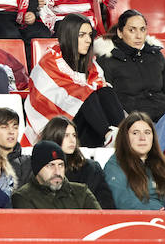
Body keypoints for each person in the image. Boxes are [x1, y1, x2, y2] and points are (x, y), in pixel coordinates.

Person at [27, 14, 126, 150]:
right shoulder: (49, 62)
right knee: (85, 93)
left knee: (105, 91)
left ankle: (123, 136)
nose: (88, 40)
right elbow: (42, 100)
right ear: (69, 36)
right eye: (82, 35)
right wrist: (82, 93)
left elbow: (99, 88)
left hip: (85, 125)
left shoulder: (92, 65)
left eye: (90, 35)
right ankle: (109, 135)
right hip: (56, 127)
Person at [98, 9, 165, 149]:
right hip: (134, 123)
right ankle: (149, 157)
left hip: (162, 119)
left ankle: (145, 160)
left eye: (142, 29)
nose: (139, 36)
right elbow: (107, 99)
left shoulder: (155, 55)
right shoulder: (108, 59)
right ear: (120, 33)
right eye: (132, 30)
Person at [102, 111, 165, 210]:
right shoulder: (115, 165)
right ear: (125, 137)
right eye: (135, 133)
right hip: (138, 221)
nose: (142, 138)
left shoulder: (162, 163)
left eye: (147, 132)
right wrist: (158, 212)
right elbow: (124, 202)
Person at [11, 138, 102, 209]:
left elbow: (101, 225)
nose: (57, 172)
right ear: (37, 169)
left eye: (61, 165)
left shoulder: (82, 192)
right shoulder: (23, 197)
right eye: (51, 165)